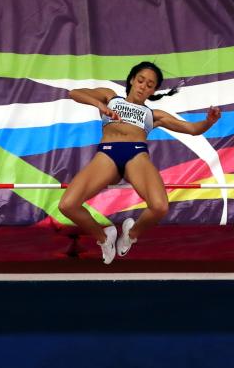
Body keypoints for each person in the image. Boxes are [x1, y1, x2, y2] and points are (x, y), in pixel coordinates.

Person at [59, 61, 221, 264]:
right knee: (67, 205)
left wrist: (209, 121)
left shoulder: (153, 115)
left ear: (153, 90)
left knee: (160, 206)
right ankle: (104, 237)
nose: (143, 86)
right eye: (140, 80)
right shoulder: (110, 97)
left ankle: (131, 234)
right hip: (107, 155)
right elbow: (75, 93)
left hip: (136, 156)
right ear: (131, 80)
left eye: (150, 84)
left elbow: (192, 129)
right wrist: (100, 105)